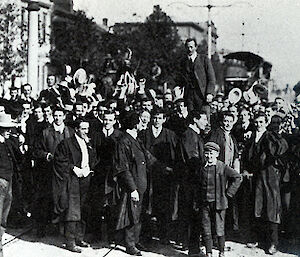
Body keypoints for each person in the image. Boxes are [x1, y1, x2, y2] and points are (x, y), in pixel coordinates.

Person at [113, 111, 161, 256]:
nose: (143, 123)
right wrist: (132, 188)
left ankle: (136, 240)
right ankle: (130, 244)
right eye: (140, 121)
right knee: (130, 214)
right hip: (133, 186)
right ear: (134, 124)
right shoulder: (124, 141)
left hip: (142, 185)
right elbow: (123, 168)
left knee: (138, 214)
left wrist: (166, 169)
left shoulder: (136, 139)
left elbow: (149, 158)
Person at [243, 112, 288, 255]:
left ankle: (273, 243)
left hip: (270, 176)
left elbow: (280, 149)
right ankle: (258, 239)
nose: (258, 124)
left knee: (272, 207)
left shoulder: (271, 136)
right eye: (256, 122)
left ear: (266, 122)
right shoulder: (251, 137)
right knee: (257, 205)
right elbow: (248, 156)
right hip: (257, 176)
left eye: (261, 122)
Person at [53, 118, 97, 253]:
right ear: (76, 129)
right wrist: (73, 168)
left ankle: (79, 237)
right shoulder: (66, 143)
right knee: (73, 211)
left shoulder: (87, 142)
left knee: (83, 209)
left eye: (87, 128)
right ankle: (70, 241)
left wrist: (89, 168)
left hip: (85, 179)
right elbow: (59, 160)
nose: (86, 131)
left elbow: (92, 158)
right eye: (83, 129)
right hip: (72, 180)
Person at [138, 107, 178, 244]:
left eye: (160, 118)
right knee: (146, 205)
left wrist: (170, 169)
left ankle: (163, 235)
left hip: (164, 176)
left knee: (163, 205)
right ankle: (146, 236)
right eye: (155, 118)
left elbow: (174, 155)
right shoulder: (143, 134)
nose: (157, 121)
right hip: (148, 174)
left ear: (164, 120)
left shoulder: (170, 135)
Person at [33, 107, 74, 237]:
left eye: (60, 115)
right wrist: (46, 155)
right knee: (47, 199)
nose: (57, 118)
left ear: (64, 116)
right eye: (55, 115)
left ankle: (60, 228)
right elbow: (36, 150)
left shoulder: (70, 132)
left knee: (64, 199)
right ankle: (43, 228)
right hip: (49, 172)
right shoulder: (45, 132)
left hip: (65, 172)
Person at [199, 142, 242, 257]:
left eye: (211, 153)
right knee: (206, 228)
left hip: (219, 203)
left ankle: (221, 252)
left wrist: (228, 194)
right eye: (206, 153)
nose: (209, 156)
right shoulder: (202, 167)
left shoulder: (222, 167)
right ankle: (208, 253)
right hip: (204, 203)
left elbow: (238, 177)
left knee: (219, 228)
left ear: (217, 154)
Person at [179, 110, 208, 255]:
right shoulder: (190, 135)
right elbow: (193, 160)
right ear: (195, 119)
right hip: (192, 182)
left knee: (194, 216)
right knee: (193, 216)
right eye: (203, 119)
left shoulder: (194, 135)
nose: (206, 122)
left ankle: (194, 247)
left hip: (193, 181)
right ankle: (193, 250)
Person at [0, 113, 23, 257]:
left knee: (3, 216)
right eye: (6, 128)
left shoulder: (8, 142)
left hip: (8, 182)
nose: (9, 130)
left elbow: (19, 159)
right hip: (1, 182)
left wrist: (18, 144)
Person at [179, 38, 216, 116]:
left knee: (204, 118)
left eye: (191, 47)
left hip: (202, 95)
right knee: (191, 119)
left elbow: (211, 78)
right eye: (188, 47)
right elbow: (180, 79)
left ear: (195, 47)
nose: (189, 49)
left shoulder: (204, 59)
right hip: (189, 96)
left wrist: (209, 93)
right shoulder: (183, 62)